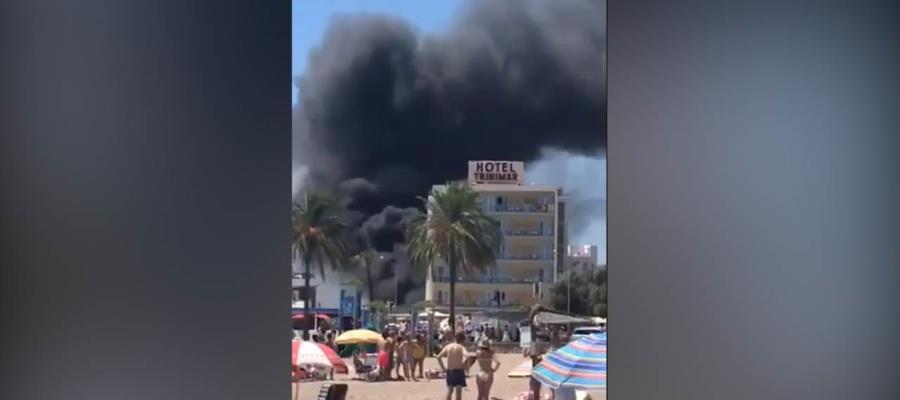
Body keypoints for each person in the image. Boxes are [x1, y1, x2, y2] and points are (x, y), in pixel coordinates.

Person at [436, 331, 472, 400]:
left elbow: (438, 357)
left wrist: (443, 368)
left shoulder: (448, 346)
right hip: (459, 370)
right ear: (462, 339)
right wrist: (467, 367)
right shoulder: (461, 347)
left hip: (450, 370)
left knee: (450, 389)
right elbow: (468, 356)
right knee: (458, 391)